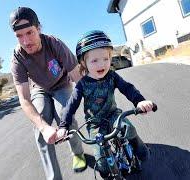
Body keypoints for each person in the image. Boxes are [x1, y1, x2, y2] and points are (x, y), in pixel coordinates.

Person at [53, 30, 154, 179]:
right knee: (102, 163)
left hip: (114, 115)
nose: (102, 64)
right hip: (94, 123)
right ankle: (106, 169)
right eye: (94, 61)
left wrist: (140, 101)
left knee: (129, 129)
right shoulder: (82, 85)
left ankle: (143, 151)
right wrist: (63, 126)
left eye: (105, 59)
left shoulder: (112, 76)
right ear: (83, 62)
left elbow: (127, 88)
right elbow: (70, 106)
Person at [9, 7, 87, 180]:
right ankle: (53, 177)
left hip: (61, 84)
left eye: (29, 32)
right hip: (39, 89)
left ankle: (78, 153)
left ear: (39, 28)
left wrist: (94, 101)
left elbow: (77, 77)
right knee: (40, 122)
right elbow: (24, 99)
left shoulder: (54, 44)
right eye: (19, 36)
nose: (26, 41)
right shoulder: (17, 58)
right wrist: (44, 127)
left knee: (66, 114)